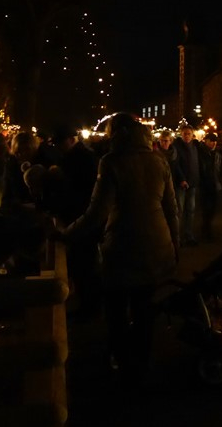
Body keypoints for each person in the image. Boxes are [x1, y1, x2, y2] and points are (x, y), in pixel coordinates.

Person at [59, 112, 178, 384]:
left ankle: (121, 361)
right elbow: (172, 209)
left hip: (123, 246)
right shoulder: (158, 160)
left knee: (116, 309)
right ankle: (142, 362)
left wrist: (67, 233)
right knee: (145, 308)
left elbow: (96, 213)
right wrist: (175, 245)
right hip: (157, 245)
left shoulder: (112, 162)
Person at [52, 124, 102, 320]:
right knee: (83, 262)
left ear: (72, 140)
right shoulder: (80, 157)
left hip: (81, 217)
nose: (58, 146)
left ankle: (90, 306)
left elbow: (79, 191)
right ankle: (89, 303)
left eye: (60, 142)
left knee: (84, 263)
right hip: (81, 217)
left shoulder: (79, 159)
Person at [175, 125, 202, 246]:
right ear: (181, 134)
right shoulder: (177, 147)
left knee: (190, 210)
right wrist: (181, 179)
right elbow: (176, 165)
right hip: (181, 183)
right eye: (185, 133)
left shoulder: (195, 147)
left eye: (188, 134)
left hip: (193, 182)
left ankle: (188, 234)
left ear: (192, 135)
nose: (186, 136)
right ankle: (178, 236)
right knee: (179, 210)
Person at [157, 130, 185, 243]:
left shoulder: (174, 153)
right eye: (162, 141)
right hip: (160, 185)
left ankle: (175, 236)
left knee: (175, 210)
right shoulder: (155, 154)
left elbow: (177, 167)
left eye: (166, 141)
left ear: (170, 141)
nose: (164, 143)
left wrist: (182, 179)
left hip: (173, 183)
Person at [199, 133, 222, 242]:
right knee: (206, 209)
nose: (213, 143)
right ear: (206, 141)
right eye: (211, 141)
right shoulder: (201, 153)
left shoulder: (217, 154)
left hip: (215, 184)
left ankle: (208, 230)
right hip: (206, 185)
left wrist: (221, 179)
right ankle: (206, 231)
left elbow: (220, 168)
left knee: (212, 209)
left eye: (214, 141)